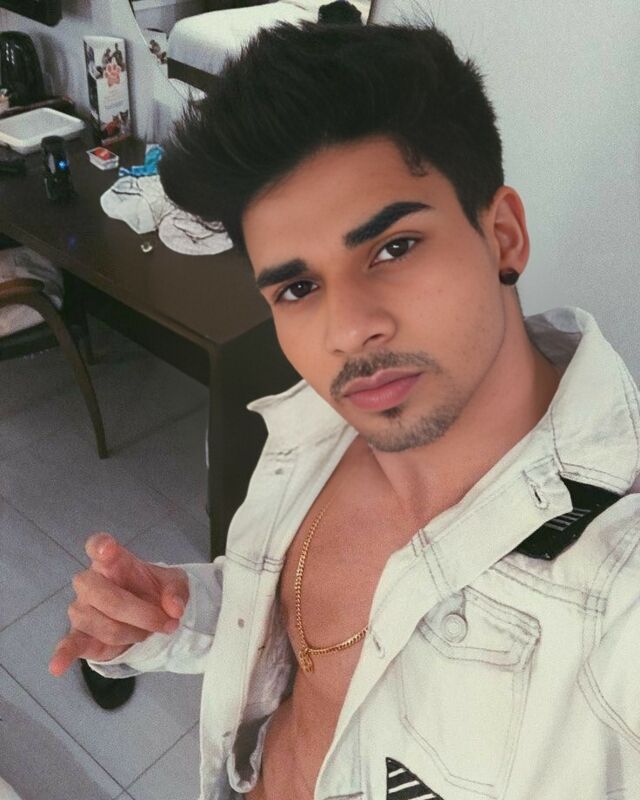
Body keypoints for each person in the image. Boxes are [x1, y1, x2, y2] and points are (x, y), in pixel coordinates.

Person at [49, 21, 640, 800]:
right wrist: (179, 613)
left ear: (502, 236)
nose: (348, 331)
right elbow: (306, 638)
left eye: (394, 247)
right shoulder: (322, 427)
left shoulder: (618, 599)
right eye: (298, 288)